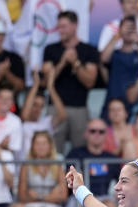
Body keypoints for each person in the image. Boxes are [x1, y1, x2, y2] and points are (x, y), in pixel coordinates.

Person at [41, 10, 99, 151]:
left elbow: (90, 81)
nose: (60, 30)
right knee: (53, 151)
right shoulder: (51, 49)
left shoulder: (89, 50)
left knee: (81, 150)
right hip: (54, 108)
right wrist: (62, 62)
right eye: (59, 26)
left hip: (79, 108)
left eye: (64, 26)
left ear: (75, 26)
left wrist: (75, 63)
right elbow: (47, 81)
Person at [17, 131, 67, 207]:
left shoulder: (57, 164)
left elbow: (63, 195)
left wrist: (39, 197)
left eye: (44, 143)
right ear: (32, 146)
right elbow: (21, 196)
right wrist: (50, 196)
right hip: (32, 205)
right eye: (37, 144)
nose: (41, 147)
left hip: (53, 206)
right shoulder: (26, 165)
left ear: (50, 146)